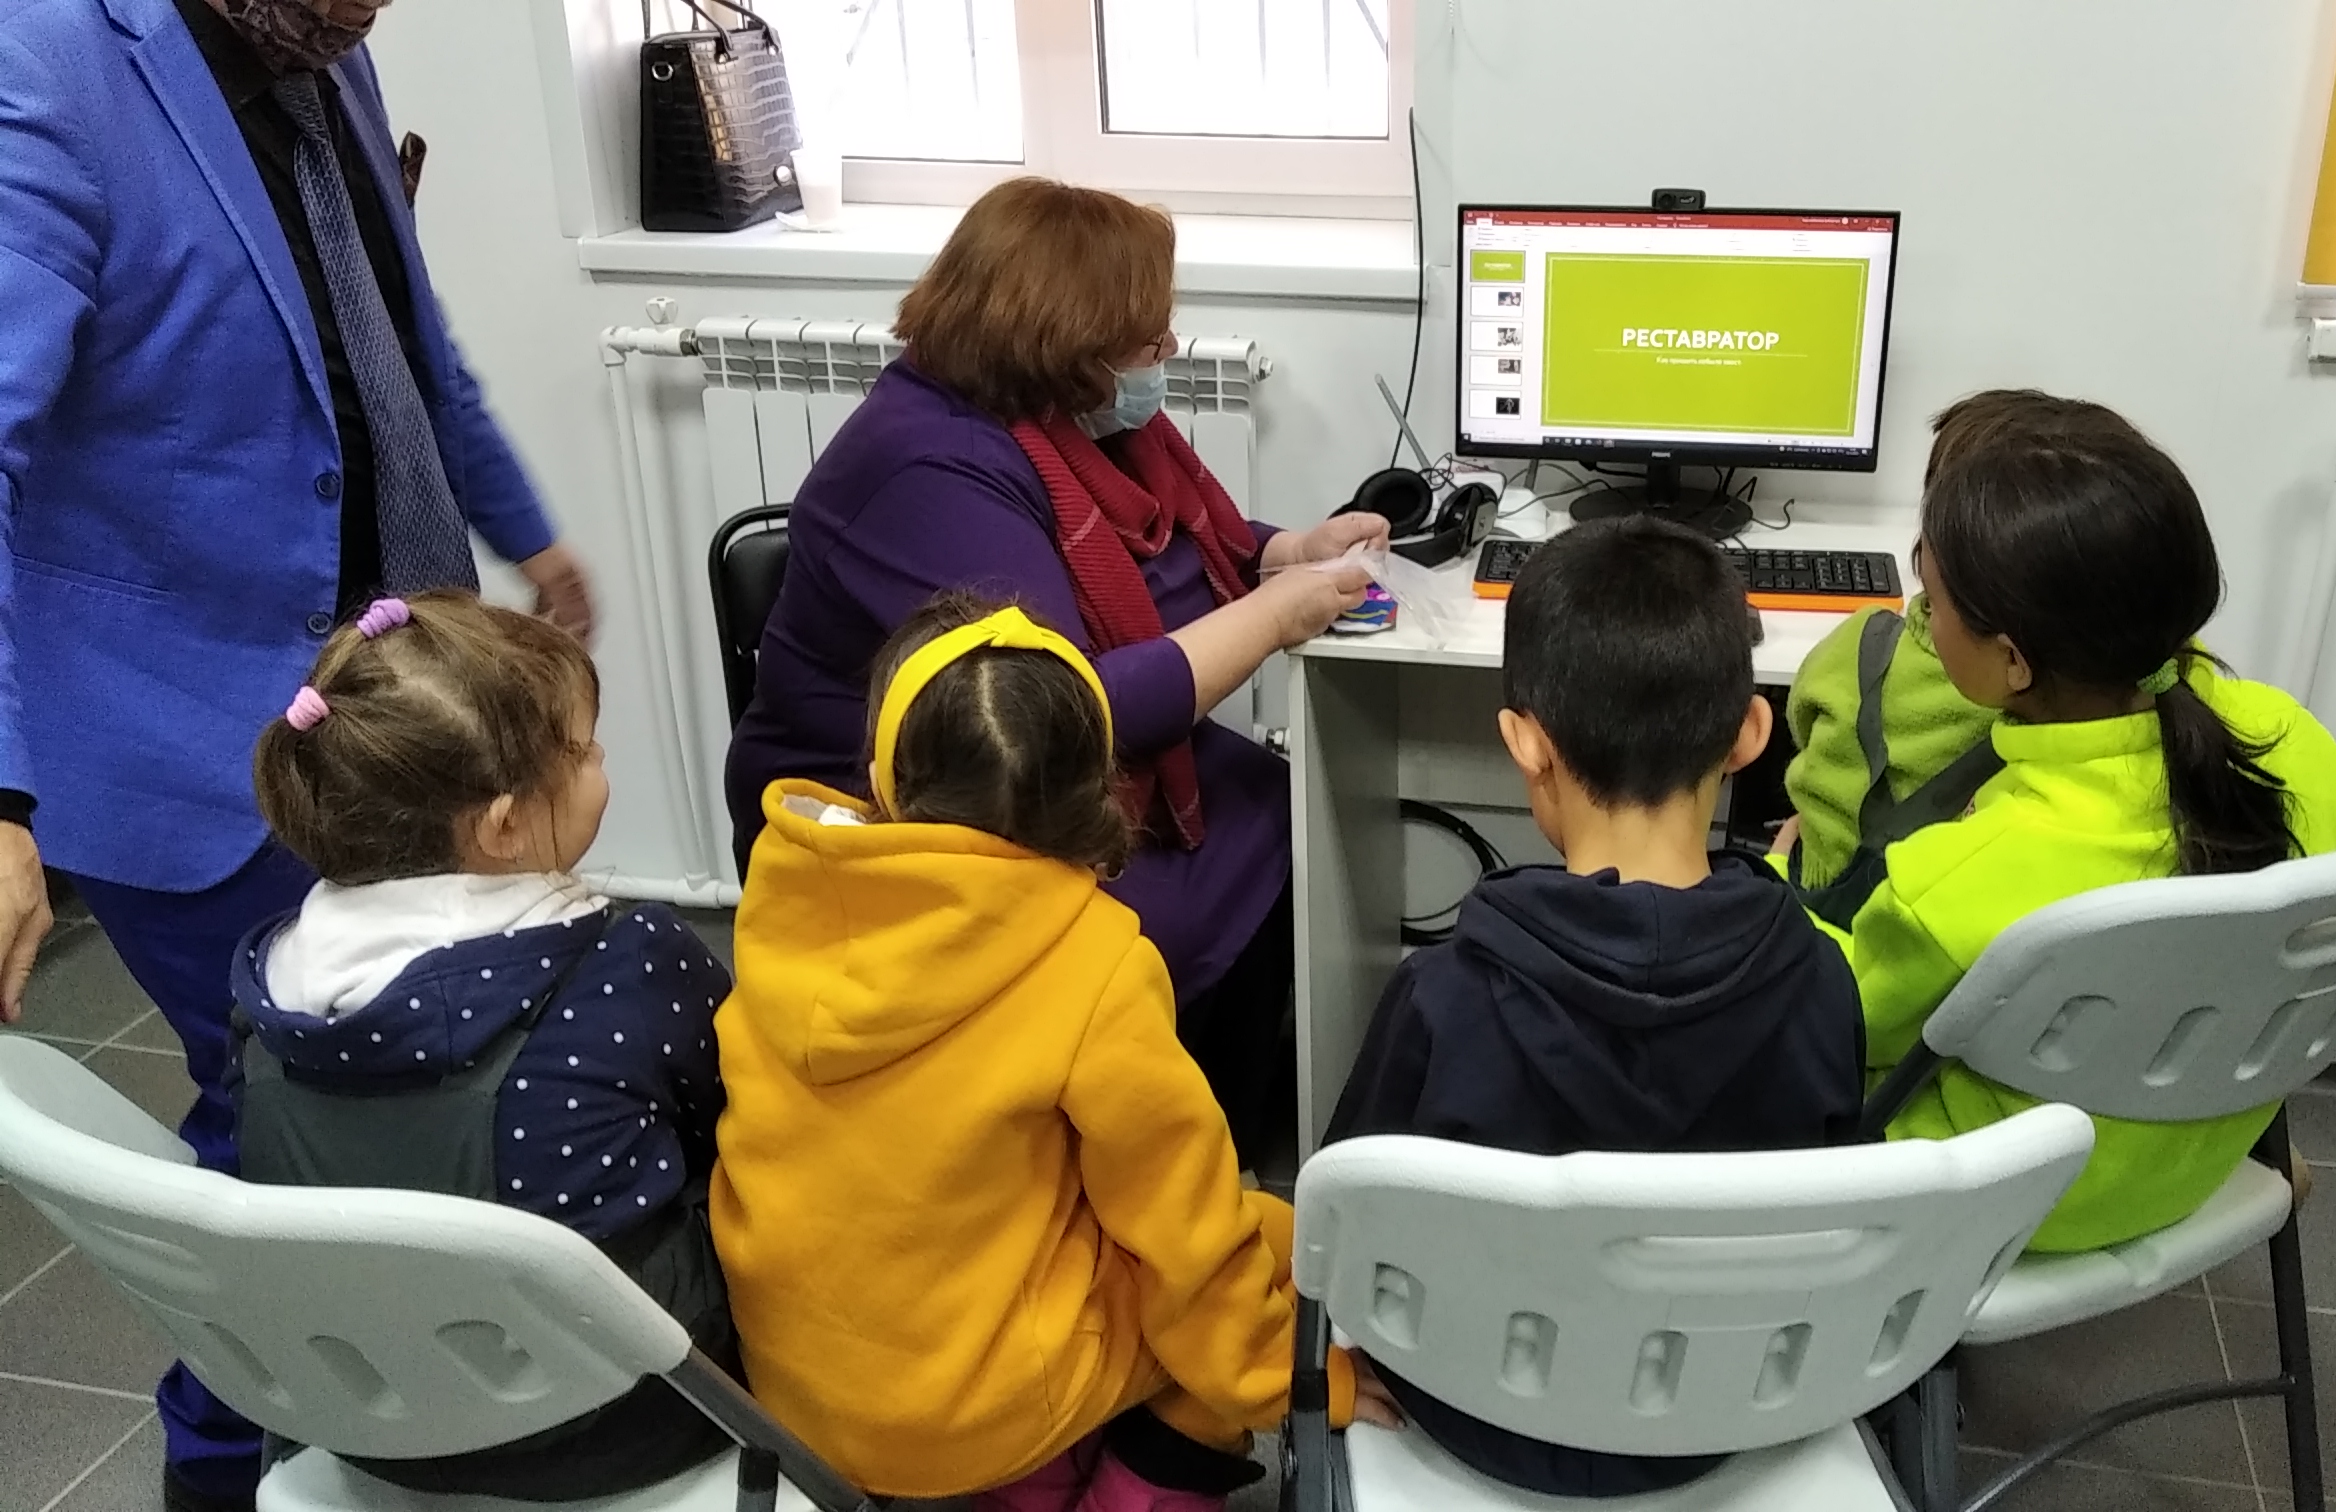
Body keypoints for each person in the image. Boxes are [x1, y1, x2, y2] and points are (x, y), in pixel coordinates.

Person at [0, 4, 593, 1505]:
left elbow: (394, 340)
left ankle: (410, 1444)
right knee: (278, 1143)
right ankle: (225, 1472)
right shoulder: (43, 64)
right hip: (184, 731)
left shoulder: (320, 41)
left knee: (374, 1122)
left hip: (381, 703)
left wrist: (520, 527)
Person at [723, 177, 1384, 1163]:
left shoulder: (1060, 422)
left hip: (1035, 766)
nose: (1167, 350)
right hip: (925, 803)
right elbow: (1067, 710)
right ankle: (1136, 1146)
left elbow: (1171, 547)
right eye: (1146, 338)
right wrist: (1274, 614)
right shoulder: (927, 466)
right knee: (1178, 903)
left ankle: (1213, 1128)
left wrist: (1285, 552)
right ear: (1065, 346)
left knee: (1288, 812)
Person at [714, 595, 1375, 1512]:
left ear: (879, 776)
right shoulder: (1094, 962)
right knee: (1259, 1253)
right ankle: (1121, 1492)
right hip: (979, 1412)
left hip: (792, 1398)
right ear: (1101, 796)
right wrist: (1291, 1382)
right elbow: (1186, 1233)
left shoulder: (783, 900)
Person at [1325, 517, 1867, 1499]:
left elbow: (1351, 1227)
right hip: (1722, 1409)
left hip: (1475, 1406)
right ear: (1751, 734)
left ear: (1524, 743)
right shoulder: (1822, 980)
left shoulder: (1439, 998)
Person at [229, 594, 734, 1499]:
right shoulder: (630, 964)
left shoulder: (269, 994)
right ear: (502, 828)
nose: (602, 762)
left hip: (372, 1412)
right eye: (584, 750)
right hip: (621, 1417)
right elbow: (741, 1116)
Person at [1833, 420, 2336, 1253]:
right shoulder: (2299, 742)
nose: (1925, 619)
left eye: (1933, 603)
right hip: (2205, 1151)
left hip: (2017, 1194)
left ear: (2013, 661)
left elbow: (1842, 1023)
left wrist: (1777, 890)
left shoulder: (1953, 883)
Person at [1779, 390, 2142, 927]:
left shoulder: (1865, 649)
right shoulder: (2139, 696)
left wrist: (1772, 866)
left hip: (1842, 932)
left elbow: (1801, 724)